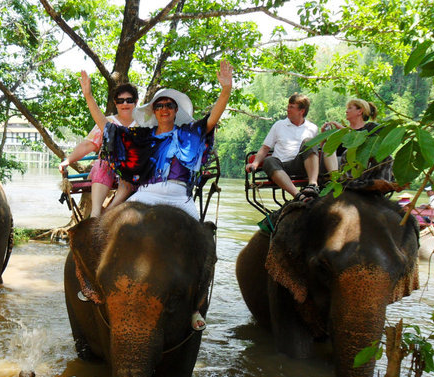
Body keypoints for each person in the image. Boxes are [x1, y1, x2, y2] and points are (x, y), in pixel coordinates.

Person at [79, 60, 233, 330]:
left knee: (205, 241)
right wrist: (89, 97)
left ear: (175, 111)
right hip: (146, 195)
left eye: (168, 106)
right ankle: (96, 287)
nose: (163, 109)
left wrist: (226, 90)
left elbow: (212, 119)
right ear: (153, 111)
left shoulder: (189, 134)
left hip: (180, 198)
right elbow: (107, 127)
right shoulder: (142, 137)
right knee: (105, 227)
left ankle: (196, 305)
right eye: (159, 106)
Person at [59, 83, 139, 217]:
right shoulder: (107, 122)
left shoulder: (142, 124)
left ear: (136, 102)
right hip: (107, 168)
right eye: (120, 101)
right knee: (103, 164)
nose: (125, 104)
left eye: (129, 100)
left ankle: (107, 211)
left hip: (131, 171)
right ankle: (95, 213)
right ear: (115, 103)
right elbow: (89, 145)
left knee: (130, 168)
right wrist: (68, 161)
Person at [245, 94, 319, 201]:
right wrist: (255, 164)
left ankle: (313, 185)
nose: (287, 109)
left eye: (291, 107)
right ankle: (298, 196)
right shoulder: (279, 125)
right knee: (269, 160)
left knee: (309, 142)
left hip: (302, 164)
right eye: (288, 106)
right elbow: (265, 148)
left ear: (301, 111)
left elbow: (314, 152)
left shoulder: (312, 128)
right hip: (281, 167)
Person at [321, 98, 379, 172]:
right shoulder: (341, 130)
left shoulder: (370, 128)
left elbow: (365, 146)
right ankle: (335, 177)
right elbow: (326, 151)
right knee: (327, 145)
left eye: (350, 108)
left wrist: (343, 130)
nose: (346, 111)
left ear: (360, 111)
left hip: (358, 163)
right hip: (336, 164)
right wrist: (324, 136)